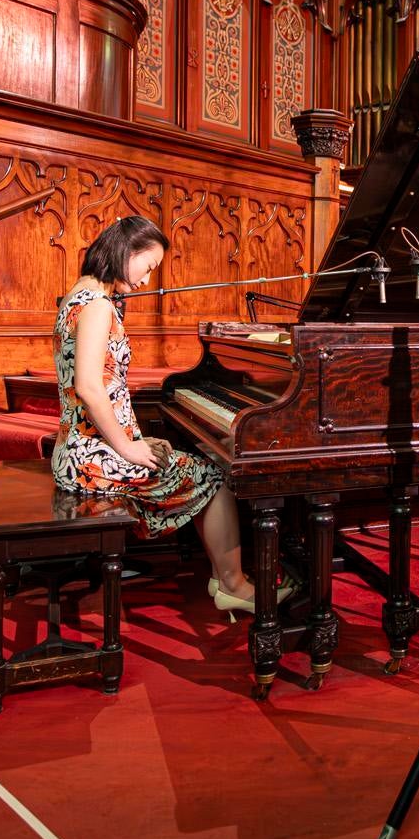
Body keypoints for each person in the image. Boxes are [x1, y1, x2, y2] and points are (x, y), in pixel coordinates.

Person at [52, 215, 277, 617]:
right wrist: (127, 447)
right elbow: (89, 387)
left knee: (189, 463)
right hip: (91, 460)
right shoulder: (98, 306)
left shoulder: (78, 296)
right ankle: (233, 585)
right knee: (216, 477)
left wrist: (132, 439)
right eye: (148, 266)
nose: (146, 280)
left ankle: (223, 577)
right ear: (126, 251)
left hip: (79, 450)